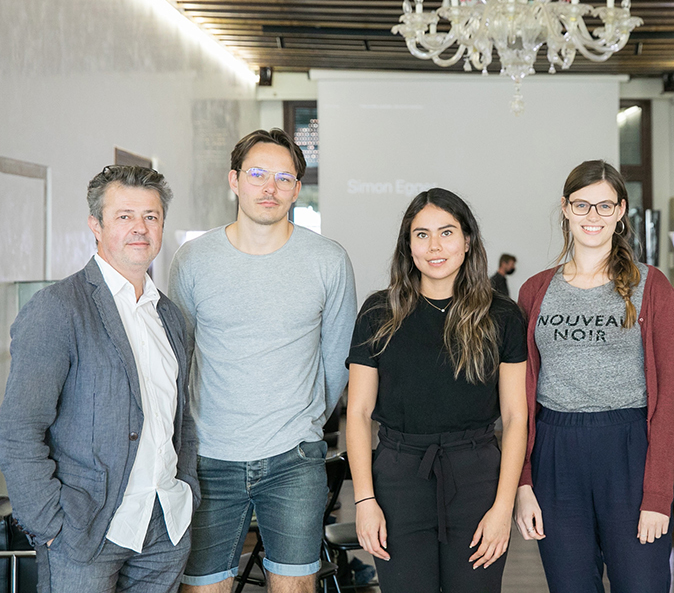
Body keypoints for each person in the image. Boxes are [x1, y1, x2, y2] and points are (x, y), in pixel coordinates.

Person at [169, 129, 357, 593]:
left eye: (283, 178)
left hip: (294, 457)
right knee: (202, 587)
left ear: (297, 189)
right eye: (256, 174)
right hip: (209, 459)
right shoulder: (193, 260)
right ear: (234, 180)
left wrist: (305, 422)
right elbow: (179, 357)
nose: (269, 188)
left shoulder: (328, 260)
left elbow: (336, 362)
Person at [0, 166, 197, 593]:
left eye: (151, 216)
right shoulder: (57, 310)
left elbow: (183, 422)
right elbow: (18, 429)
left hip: (164, 526)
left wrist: (189, 491)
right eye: (124, 216)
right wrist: (49, 525)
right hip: (83, 534)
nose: (140, 228)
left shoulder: (170, 316)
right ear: (96, 225)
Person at [345, 188, 528, 593]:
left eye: (447, 232)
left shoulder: (502, 315)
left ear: (467, 241)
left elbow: (516, 418)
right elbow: (357, 414)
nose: (435, 246)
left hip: (477, 479)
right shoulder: (379, 313)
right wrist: (364, 501)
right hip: (398, 482)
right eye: (422, 234)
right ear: (408, 246)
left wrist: (503, 507)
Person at [513, 160, 674, 593]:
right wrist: (524, 481)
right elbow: (518, 399)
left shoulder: (652, 285)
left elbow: (670, 397)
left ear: (621, 211)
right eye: (582, 205)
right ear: (566, 209)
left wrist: (659, 495)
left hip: (628, 449)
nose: (593, 217)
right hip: (555, 452)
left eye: (604, 206)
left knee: (641, 584)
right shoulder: (535, 290)